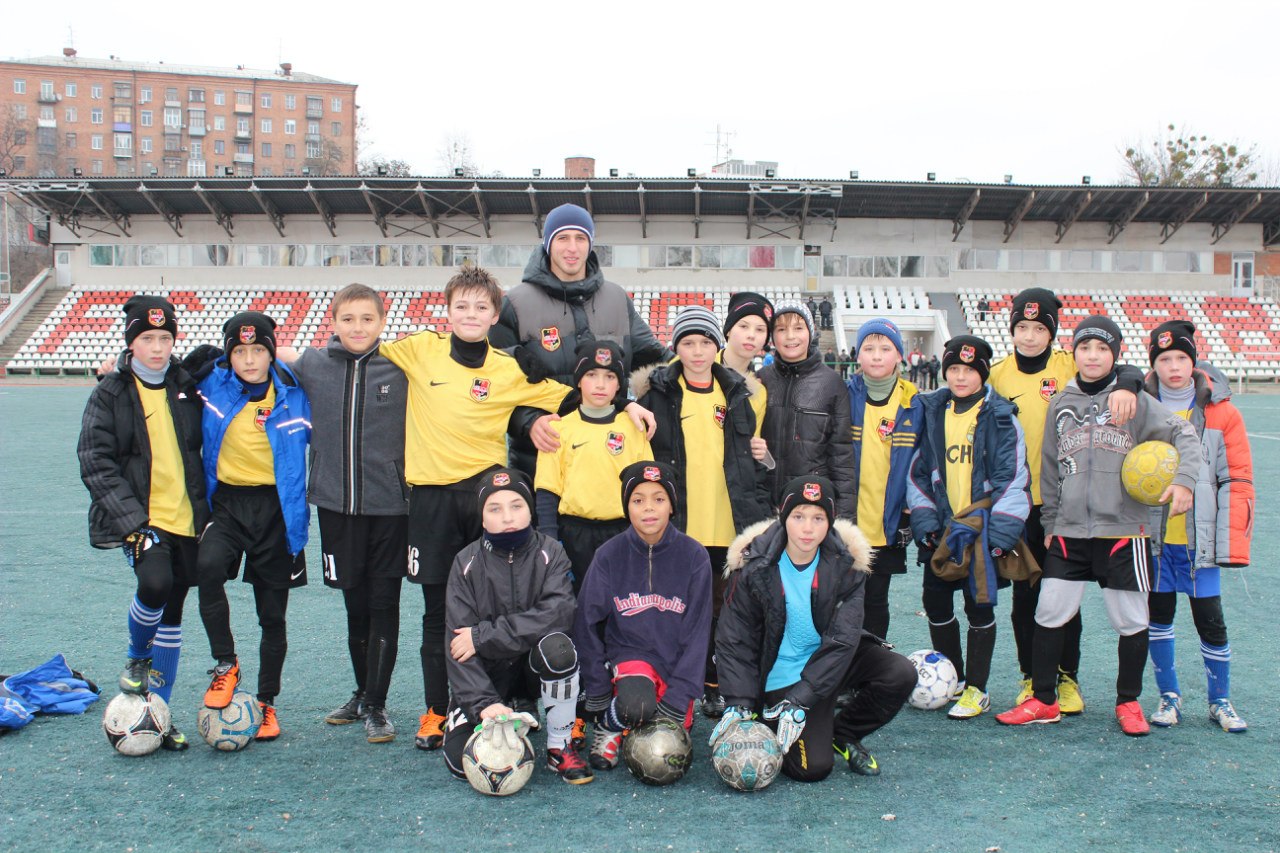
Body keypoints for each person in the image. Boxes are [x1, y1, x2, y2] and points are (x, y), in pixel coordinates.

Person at [377, 266, 578, 752]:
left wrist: (627, 405)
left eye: (480, 307)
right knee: (436, 612)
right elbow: (358, 343)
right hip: (431, 500)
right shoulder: (419, 349)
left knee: (495, 603)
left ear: (494, 316)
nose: (470, 314)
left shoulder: (508, 368)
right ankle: (437, 709)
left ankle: (499, 697)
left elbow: (576, 398)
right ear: (447, 311)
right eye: (461, 306)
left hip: (486, 501)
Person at [996, 316, 1201, 737]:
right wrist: (1050, 522)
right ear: (1074, 352)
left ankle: (1128, 702)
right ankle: (1044, 699)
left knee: (1130, 619)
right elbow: (1049, 469)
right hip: (1069, 529)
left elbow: (1184, 434)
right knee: (1049, 612)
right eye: (1085, 348)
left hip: (1123, 531)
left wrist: (1184, 481)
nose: (1092, 356)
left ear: (1115, 354)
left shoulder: (1134, 398)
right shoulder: (1061, 402)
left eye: (1102, 349)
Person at [987, 288, 1142, 715]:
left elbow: (1119, 367)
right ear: (1011, 330)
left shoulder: (1067, 364)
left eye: (1039, 329)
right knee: (1026, 596)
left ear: (1052, 333)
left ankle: (1067, 678)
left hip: (1066, 502)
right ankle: (1030, 678)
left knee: (1064, 595)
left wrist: (1129, 383)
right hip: (1018, 504)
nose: (1029, 336)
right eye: (1022, 327)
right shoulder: (998, 376)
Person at [712, 475, 917, 782]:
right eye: (798, 517)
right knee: (812, 769)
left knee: (900, 673)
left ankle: (843, 733)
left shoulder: (848, 564)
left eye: (818, 518)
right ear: (783, 516)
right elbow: (734, 638)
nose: (808, 528)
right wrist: (740, 702)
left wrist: (802, 698)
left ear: (830, 521)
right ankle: (776, 718)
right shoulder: (754, 564)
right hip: (782, 672)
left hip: (830, 660)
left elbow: (843, 640)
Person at [277, 283, 408, 744]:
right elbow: (256, 359)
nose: (358, 327)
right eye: (348, 318)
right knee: (354, 604)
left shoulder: (402, 364)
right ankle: (362, 692)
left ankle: (377, 704)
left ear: (382, 322)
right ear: (332, 321)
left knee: (383, 603)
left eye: (367, 319)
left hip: (391, 507)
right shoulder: (313, 364)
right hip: (336, 505)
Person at [77, 295, 207, 751]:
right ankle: (136, 658)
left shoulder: (187, 383)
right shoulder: (110, 392)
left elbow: (227, 358)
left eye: (164, 338)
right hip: (143, 519)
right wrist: (132, 522)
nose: (156, 347)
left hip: (187, 517)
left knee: (173, 612)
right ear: (131, 342)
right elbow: (93, 459)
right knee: (155, 584)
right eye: (147, 338)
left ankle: (160, 714)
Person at [632, 305, 773, 719]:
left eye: (705, 342)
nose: (697, 352)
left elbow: (753, 459)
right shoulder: (656, 394)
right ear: (676, 347)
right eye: (688, 343)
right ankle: (670, 681)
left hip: (726, 524)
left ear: (718, 346)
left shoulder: (740, 393)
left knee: (719, 613)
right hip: (679, 525)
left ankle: (713, 683)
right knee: (672, 609)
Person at [193, 312, 312, 743]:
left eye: (258, 350)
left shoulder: (296, 392)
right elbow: (164, 375)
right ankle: (226, 664)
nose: (248, 359)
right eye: (239, 351)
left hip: (278, 510)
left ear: (271, 353)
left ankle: (266, 703)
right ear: (229, 355)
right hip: (227, 504)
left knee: (272, 615)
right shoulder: (212, 385)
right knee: (207, 567)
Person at [490, 203, 670, 477]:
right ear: (548, 243)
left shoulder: (617, 299)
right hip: (541, 457)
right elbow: (496, 379)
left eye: (580, 238)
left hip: (606, 455)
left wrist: (713, 368)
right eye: (563, 238)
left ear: (591, 244)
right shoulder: (516, 304)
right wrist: (527, 422)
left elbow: (656, 359)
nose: (572, 248)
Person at [907, 335, 1030, 720]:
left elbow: (1013, 478)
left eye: (970, 370)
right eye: (954, 369)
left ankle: (978, 688)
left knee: (979, 606)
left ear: (983, 373)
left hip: (981, 530)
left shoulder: (1001, 417)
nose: (961, 377)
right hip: (944, 530)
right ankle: (955, 678)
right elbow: (918, 473)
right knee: (935, 601)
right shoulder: (932, 412)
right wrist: (926, 523)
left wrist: (1000, 535)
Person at [442, 468, 591, 784]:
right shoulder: (465, 563)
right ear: (482, 518)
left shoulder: (551, 551)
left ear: (530, 509)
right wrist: (484, 704)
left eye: (516, 505)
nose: (507, 516)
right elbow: (457, 644)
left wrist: (483, 636)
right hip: (489, 675)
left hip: (532, 669)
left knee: (559, 648)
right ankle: (500, 708)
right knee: (462, 765)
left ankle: (559, 745)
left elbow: (559, 614)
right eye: (495, 509)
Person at [1143, 320, 1253, 732]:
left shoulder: (1223, 412)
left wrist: (1230, 544)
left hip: (1199, 542)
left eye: (1181, 358)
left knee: (1211, 620)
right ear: (1153, 364)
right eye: (1164, 359)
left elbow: (1237, 478)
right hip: (1154, 540)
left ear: (1194, 361)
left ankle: (1219, 700)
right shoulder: (1140, 407)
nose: (1173, 367)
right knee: (1158, 618)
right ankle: (1168, 697)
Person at [574, 461, 712, 771]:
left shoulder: (694, 556)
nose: (648, 508)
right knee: (637, 704)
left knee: (669, 750)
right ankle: (611, 723)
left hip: (675, 665)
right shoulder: (609, 555)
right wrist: (596, 685)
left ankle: (638, 715)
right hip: (630, 658)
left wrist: (679, 696)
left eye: (658, 499)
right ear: (627, 507)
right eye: (638, 500)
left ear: (672, 506)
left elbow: (699, 633)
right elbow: (585, 622)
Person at [535, 339, 652, 594]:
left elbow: (646, 488)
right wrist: (549, 540)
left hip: (623, 531)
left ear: (619, 384)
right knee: (578, 604)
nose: (600, 384)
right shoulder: (558, 428)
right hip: (574, 534)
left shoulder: (634, 427)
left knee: (622, 603)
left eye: (610, 376)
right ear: (578, 381)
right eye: (591, 375)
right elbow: (547, 491)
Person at [846, 319, 922, 640]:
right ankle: (842, 664)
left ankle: (874, 662)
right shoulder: (843, 396)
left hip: (888, 521)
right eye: (869, 348)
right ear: (858, 355)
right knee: (842, 599)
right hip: (847, 521)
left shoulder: (915, 403)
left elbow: (923, 461)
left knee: (876, 599)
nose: (876, 355)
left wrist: (910, 507)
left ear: (899, 356)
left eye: (885, 348)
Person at [758, 302, 854, 516]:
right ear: (772, 336)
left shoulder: (832, 383)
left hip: (811, 507)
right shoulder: (761, 380)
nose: (790, 336)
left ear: (810, 332)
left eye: (798, 328)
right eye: (781, 329)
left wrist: (844, 519)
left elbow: (841, 458)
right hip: (764, 507)